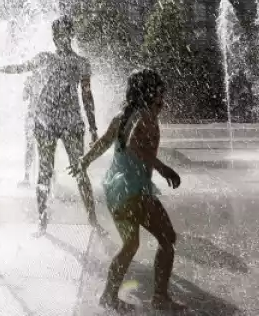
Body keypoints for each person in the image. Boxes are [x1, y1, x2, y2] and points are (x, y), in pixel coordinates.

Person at [71, 68, 182, 313]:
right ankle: (160, 298)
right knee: (167, 238)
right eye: (160, 92)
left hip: (116, 191)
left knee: (130, 246)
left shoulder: (123, 115)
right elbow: (134, 144)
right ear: (151, 92)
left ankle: (109, 297)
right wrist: (163, 169)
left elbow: (103, 143)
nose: (163, 100)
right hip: (135, 192)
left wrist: (84, 161)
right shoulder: (144, 115)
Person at [0, 16, 98, 231]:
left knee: (81, 171)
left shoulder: (81, 63)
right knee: (45, 171)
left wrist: (93, 128)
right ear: (53, 37)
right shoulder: (45, 58)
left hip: (72, 122)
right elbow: (19, 68)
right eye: (57, 35)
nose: (60, 39)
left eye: (64, 34)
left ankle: (93, 221)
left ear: (71, 36)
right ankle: (42, 220)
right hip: (45, 122)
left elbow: (87, 96)